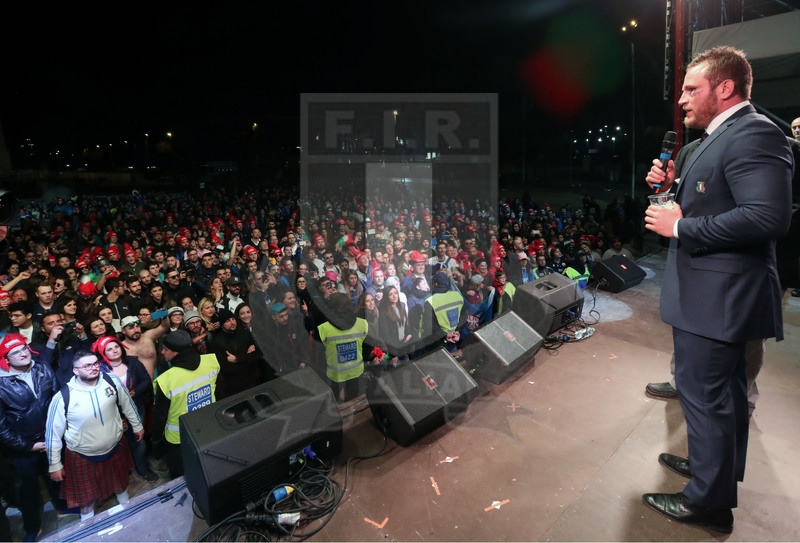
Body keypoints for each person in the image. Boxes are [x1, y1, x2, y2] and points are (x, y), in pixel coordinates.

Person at [642, 46, 793, 533]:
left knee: (705, 396)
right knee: (720, 397)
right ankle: (715, 473)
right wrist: (670, 188)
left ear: (724, 88)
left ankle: (706, 502)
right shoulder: (718, 136)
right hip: (713, 295)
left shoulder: (754, 133)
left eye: (691, 89)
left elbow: (766, 217)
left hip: (720, 298)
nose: (682, 99)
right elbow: (714, 199)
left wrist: (681, 228)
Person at [45, 350, 143, 522]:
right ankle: (89, 530)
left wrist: (137, 425)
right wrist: (54, 464)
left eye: (96, 363)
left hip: (115, 447)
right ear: (75, 370)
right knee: (86, 501)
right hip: (82, 455)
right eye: (87, 365)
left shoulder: (111, 381)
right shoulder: (63, 397)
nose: (94, 368)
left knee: (121, 487)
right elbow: (53, 434)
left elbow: (127, 404)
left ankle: (130, 519)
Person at [0, 333, 65, 541]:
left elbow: (57, 401)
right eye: (15, 352)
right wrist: (30, 446)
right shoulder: (1, 383)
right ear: (6, 359)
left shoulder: (42, 368)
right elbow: (1, 428)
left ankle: (63, 508)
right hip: (23, 449)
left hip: (50, 439)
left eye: (24, 348)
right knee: (28, 490)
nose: (22, 353)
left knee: (56, 477)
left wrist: (55, 434)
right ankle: (32, 527)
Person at [151, 330, 220, 478]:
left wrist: (156, 441)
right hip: (208, 429)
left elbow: (160, 415)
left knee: (182, 475)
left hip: (178, 440)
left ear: (176, 352)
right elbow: (221, 391)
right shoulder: (211, 362)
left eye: (165, 349)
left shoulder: (167, 380)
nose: (162, 352)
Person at [91, 336, 158, 482]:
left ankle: (143, 469)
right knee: (118, 443)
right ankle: (124, 471)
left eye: (116, 347)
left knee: (138, 440)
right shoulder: (100, 369)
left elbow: (146, 381)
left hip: (136, 408)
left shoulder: (133, 362)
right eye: (109, 349)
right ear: (103, 353)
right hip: (114, 414)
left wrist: (135, 391)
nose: (114, 351)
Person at [317, 293, 381, 403]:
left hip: (335, 374)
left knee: (334, 403)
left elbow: (320, 352)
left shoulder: (323, 328)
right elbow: (365, 347)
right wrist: (372, 357)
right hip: (355, 372)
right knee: (353, 402)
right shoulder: (362, 324)